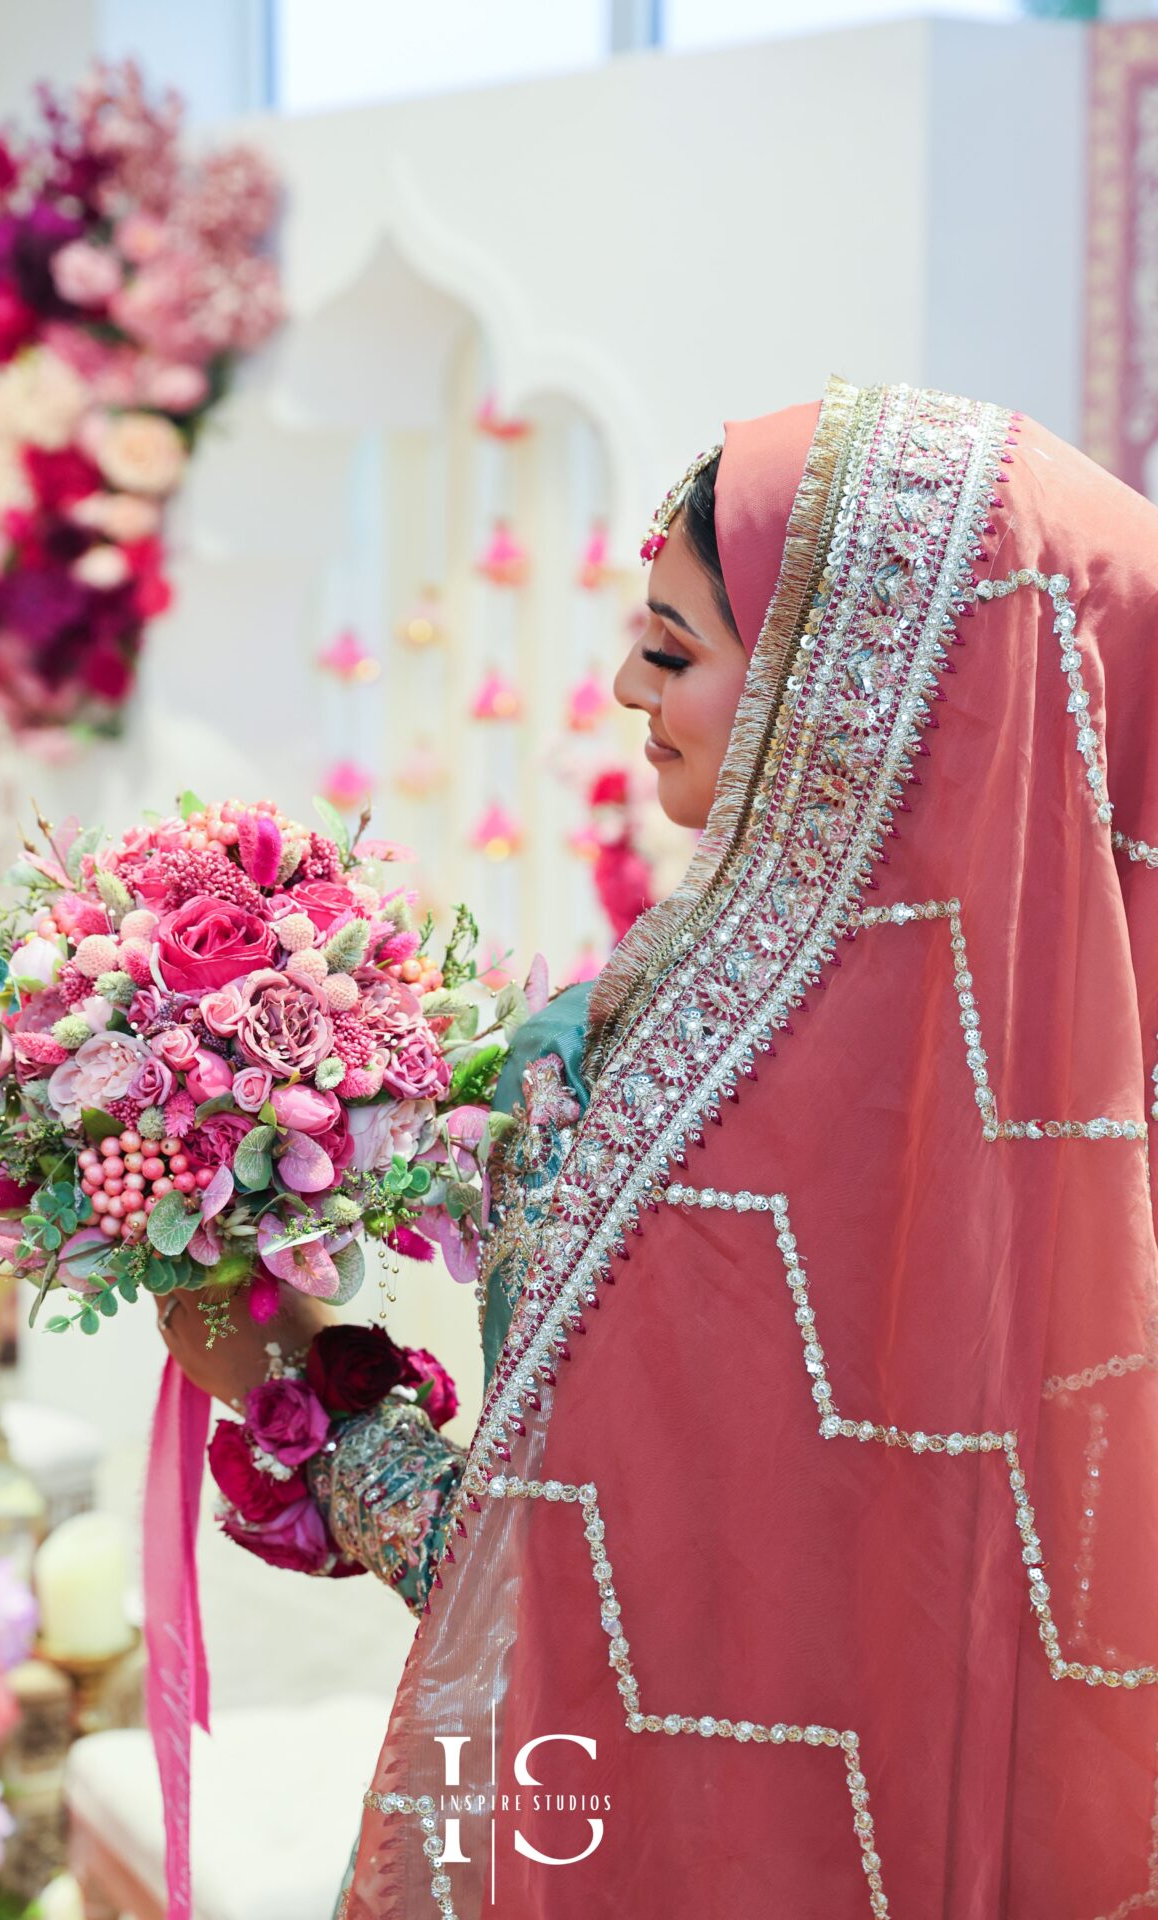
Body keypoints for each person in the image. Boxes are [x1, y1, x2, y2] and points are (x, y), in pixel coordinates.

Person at [159, 374, 1158, 1917]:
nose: (627, 681)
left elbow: (542, 1593)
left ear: (845, 703)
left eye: (675, 647)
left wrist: (294, 1377)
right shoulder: (1097, 1148)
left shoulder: (655, 1099)